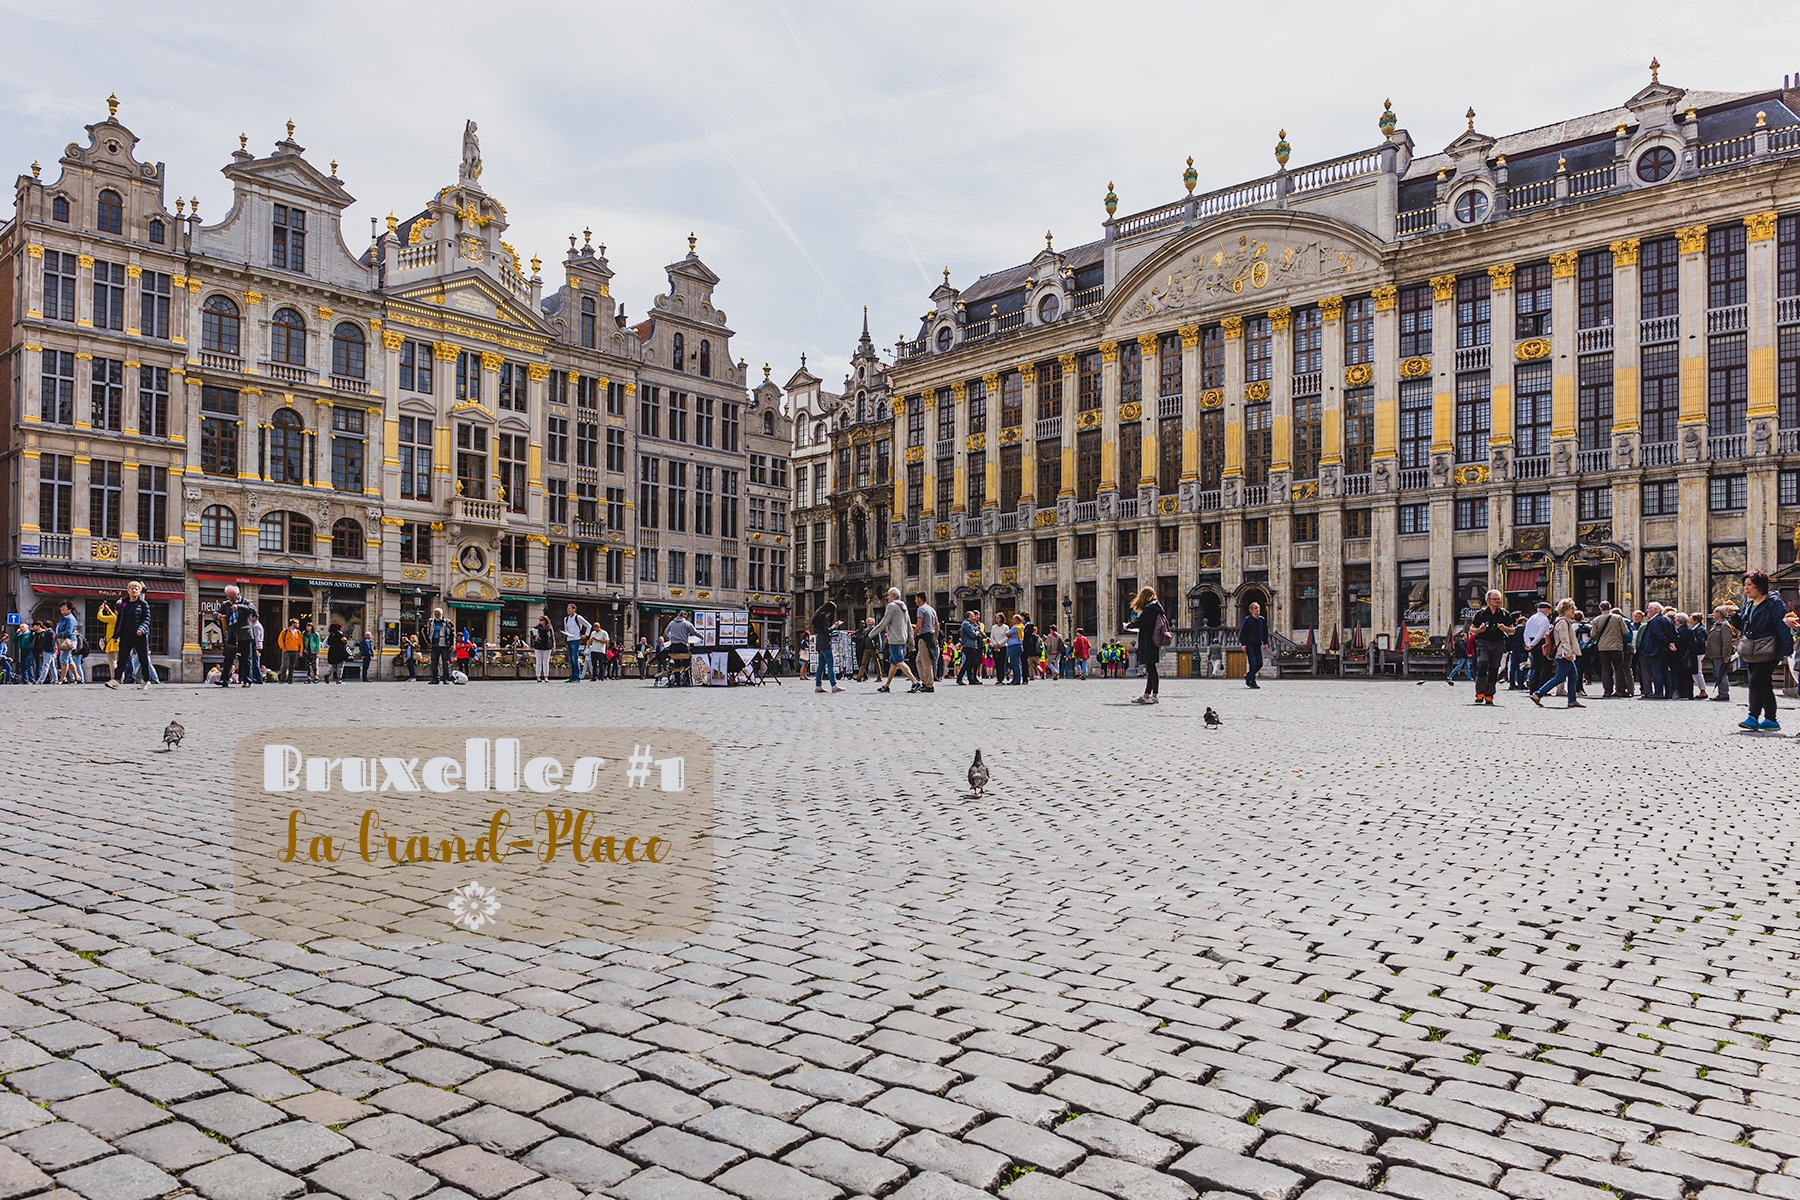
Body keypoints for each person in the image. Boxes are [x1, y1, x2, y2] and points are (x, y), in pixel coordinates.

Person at [1733, 571, 1791, 731]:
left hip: (1769, 649)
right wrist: (1735, 616)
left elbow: (1782, 625)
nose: (1746, 588)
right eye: (1744, 585)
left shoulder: (1773, 603)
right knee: (1765, 685)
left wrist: (1787, 649)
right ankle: (1771, 720)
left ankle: (1753, 717)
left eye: (1749, 584)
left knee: (1756, 682)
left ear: (1760, 586)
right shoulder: (1749, 604)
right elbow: (1743, 627)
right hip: (1752, 649)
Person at [1531, 599, 1586, 709]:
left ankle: (1572, 700)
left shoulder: (1565, 621)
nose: (1574, 610)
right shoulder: (1563, 622)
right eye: (1572, 608)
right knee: (1560, 677)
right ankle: (1538, 693)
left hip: (1565, 653)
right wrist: (1569, 653)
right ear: (1565, 610)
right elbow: (1564, 639)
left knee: (1573, 676)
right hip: (1564, 653)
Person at [1466, 591, 1515, 706]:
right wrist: (1479, 630)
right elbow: (1471, 628)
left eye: (1499, 599)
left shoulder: (1504, 614)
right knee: (1482, 665)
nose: (1498, 601)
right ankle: (1480, 693)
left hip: (1498, 643)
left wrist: (1505, 629)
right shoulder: (1481, 613)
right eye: (1495, 599)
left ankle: (1489, 695)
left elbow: (1513, 630)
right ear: (1488, 600)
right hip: (1483, 642)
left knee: (1494, 669)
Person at [108, 581, 158, 690]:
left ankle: (146, 680)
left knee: (143, 658)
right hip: (126, 635)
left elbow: (147, 619)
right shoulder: (124, 604)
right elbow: (119, 621)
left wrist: (141, 629)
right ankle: (116, 680)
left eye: (136, 589)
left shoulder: (143, 604)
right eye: (132, 588)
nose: (134, 590)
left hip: (139, 635)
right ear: (128, 590)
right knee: (122, 658)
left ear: (139, 591)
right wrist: (116, 635)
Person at [1126, 585, 1168, 704]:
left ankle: (1154, 696)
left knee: (1152, 669)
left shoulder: (1150, 608)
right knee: (1150, 668)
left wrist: (1128, 626)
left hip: (1149, 641)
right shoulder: (1155, 606)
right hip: (1152, 641)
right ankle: (1147, 695)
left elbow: (1141, 621)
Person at [874, 588, 919, 694]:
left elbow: (884, 623)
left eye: (888, 595)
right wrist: (911, 641)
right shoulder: (903, 607)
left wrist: (871, 634)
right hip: (903, 639)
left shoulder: (892, 606)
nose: (887, 597)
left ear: (893, 596)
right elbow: (909, 625)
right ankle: (886, 685)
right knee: (893, 663)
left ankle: (915, 682)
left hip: (894, 639)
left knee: (899, 661)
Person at [214, 587, 256, 688]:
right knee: (228, 658)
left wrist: (239, 607)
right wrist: (217, 616)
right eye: (229, 597)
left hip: (245, 634)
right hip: (232, 634)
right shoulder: (226, 604)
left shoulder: (246, 602)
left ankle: (246, 680)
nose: (230, 599)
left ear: (238, 594)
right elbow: (215, 613)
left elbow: (253, 610)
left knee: (246, 659)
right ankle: (224, 680)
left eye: (232, 597)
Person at [1638, 602, 1678, 700]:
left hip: (1656, 650)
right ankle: (1669, 692)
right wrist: (1671, 643)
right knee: (1666, 671)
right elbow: (1674, 633)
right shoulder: (1668, 619)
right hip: (1665, 650)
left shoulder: (1655, 621)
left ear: (1655, 610)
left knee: (1657, 672)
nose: (1647, 610)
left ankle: (1658, 692)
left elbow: (1658, 634)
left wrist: (1667, 643)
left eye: (1649, 608)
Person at [1589, 601, 1627, 698]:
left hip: (1603, 647)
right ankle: (1620, 690)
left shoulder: (1596, 619)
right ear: (1610, 607)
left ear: (1600, 609)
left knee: (1606, 669)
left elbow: (1592, 634)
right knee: (1618, 668)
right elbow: (1625, 631)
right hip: (1616, 646)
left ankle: (1607, 691)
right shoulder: (1618, 618)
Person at [1521, 601, 1553, 693]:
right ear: (1545, 610)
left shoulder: (1531, 618)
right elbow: (1541, 633)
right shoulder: (1544, 619)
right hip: (1541, 642)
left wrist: (1528, 644)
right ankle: (1541, 688)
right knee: (1545, 666)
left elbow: (1526, 632)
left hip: (1532, 642)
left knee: (1536, 666)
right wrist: (1532, 644)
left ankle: (1533, 688)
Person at [812, 600, 843, 693]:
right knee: (830, 665)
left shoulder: (818, 616)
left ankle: (818, 685)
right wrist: (835, 626)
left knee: (820, 666)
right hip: (825, 643)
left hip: (819, 642)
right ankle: (834, 685)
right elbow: (827, 630)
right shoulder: (825, 616)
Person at [1706, 607, 1736, 701]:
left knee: (1721, 673)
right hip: (1715, 654)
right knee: (1717, 673)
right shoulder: (1716, 625)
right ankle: (1721, 692)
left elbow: (1727, 641)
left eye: (1714, 612)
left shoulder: (1724, 625)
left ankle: (1724, 693)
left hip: (1720, 654)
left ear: (1719, 613)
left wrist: (1726, 655)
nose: (1713, 614)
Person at [912, 593, 938, 694]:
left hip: (924, 637)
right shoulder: (932, 609)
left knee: (926, 662)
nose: (915, 601)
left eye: (915, 598)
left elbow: (919, 625)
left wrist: (913, 636)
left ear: (919, 598)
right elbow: (937, 624)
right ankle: (924, 681)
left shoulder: (921, 609)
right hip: (931, 636)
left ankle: (929, 685)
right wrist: (935, 638)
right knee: (918, 660)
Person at [1239, 602, 1268, 688]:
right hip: (1249, 644)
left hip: (1257, 644)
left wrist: (1265, 642)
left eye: (1258, 608)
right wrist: (1243, 644)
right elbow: (1243, 632)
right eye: (1255, 608)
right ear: (1251, 610)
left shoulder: (1262, 620)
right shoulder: (1247, 620)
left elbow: (1265, 631)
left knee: (1259, 663)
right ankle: (1252, 681)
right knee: (1253, 663)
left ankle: (1248, 676)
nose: (1257, 610)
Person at [561, 604, 591, 682]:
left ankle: (577, 676)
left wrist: (586, 635)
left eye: (569, 608)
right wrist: (565, 633)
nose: (568, 610)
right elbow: (566, 628)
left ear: (574, 609)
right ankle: (572, 675)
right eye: (567, 608)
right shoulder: (566, 619)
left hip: (576, 639)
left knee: (575, 658)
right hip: (569, 639)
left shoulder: (578, 617)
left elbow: (588, 625)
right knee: (570, 659)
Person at [426, 608, 455, 684]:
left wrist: (452, 645)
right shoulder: (430, 622)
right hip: (434, 645)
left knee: (445, 662)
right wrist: (428, 642)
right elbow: (425, 632)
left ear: (442, 614)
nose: (436, 615)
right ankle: (435, 679)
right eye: (435, 614)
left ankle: (446, 679)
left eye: (438, 614)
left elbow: (452, 634)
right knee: (434, 662)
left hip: (445, 645)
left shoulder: (448, 623)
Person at [530, 614, 555, 682]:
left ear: (545, 621)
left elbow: (552, 637)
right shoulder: (536, 628)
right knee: (538, 662)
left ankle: (546, 677)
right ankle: (538, 677)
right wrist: (535, 638)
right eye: (539, 620)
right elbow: (532, 636)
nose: (540, 621)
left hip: (547, 646)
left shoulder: (549, 628)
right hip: (538, 646)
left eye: (541, 620)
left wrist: (553, 646)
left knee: (545, 662)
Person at [248, 615, 266, 685]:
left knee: (255, 663)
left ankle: (259, 678)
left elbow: (256, 637)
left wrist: (255, 648)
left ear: (255, 618)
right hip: (256, 646)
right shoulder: (255, 625)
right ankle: (255, 678)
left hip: (256, 647)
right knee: (254, 662)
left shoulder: (256, 626)